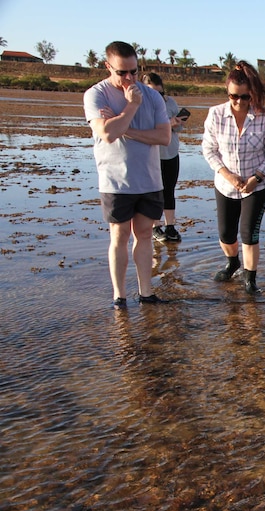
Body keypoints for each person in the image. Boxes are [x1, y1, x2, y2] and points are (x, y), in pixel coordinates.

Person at [83, 40, 171, 310]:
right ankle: (119, 295)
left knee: (144, 234)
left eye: (133, 71)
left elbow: (164, 137)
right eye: (122, 72)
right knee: (119, 236)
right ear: (108, 66)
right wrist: (131, 107)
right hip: (115, 180)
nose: (129, 78)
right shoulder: (95, 95)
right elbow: (107, 133)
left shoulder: (153, 96)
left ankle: (146, 292)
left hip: (148, 179)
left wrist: (125, 127)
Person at [202, 61, 265, 295]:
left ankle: (250, 278)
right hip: (226, 185)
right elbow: (209, 149)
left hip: (258, 185)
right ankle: (232, 262)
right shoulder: (215, 114)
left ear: (252, 95)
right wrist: (227, 174)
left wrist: (256, 177)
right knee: (226, 234)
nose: (238, 102)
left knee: (248, 233)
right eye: (233, 96)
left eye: (244, 97)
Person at [141, 72, 186, 242]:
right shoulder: (142, 106)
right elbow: (147, 127)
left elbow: (178, 127)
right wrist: (169, 123)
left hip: (171, 152)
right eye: (152, 92)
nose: (157, 97)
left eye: (160, 93)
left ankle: (170, 225)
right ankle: (155, 226)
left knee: (169, 190)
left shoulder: (170, 103)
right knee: (154, 191)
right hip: (152, 154)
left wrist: (177, 123)